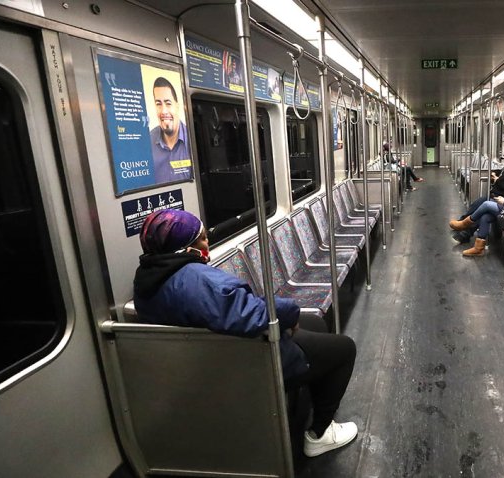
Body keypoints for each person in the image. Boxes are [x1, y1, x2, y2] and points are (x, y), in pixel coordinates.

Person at [132, 209, 358, 457]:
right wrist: (290, 311)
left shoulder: (148, 281)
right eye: (204, 238)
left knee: (314, 323)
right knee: (344, 348)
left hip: (204, 359)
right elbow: (251, 314)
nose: (208, 243)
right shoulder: (198, 282)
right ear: (188, 248)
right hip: (246, 361)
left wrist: (290, 316)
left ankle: (301, 395)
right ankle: (320, 434)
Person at [451, 149, 504, 243]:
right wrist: (495, 175)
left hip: (503, 199)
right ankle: (463, 223)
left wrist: (498, 180)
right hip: (495, 196)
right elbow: (502, 176)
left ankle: (465, 230)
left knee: (483, 208)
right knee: (476, 205)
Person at [150, 77, 191, 184]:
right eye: (158, 104)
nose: (164, 111)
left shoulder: (192, 139)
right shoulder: (147, 142)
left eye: (168, 103)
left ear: (177, 106)